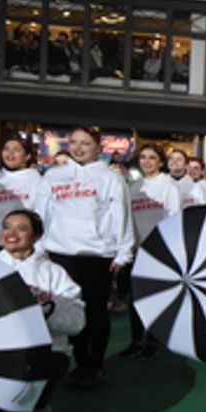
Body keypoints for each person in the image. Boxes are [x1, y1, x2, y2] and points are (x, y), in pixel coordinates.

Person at [34, 125, 134, 389]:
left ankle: (96, 365)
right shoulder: (53, 176)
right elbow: (41, 213)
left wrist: (123, 252)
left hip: (96, 255)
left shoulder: (111, 178)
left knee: (96, 312)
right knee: (68, 310)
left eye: (86, 143)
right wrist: (39, 247)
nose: (78, 148)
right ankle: (79, 363)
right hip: (60, 253)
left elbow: (121, 216)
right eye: (74, 142)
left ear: (98, 147)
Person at [0, 209, 85, 412]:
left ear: (36, 236)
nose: (11, 233)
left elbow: (77, 322)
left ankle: (39, 409)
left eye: (21, 228)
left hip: (46, 350)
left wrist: (40, 316)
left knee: (48, 366)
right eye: (7, 226)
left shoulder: (54, 273)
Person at [120, 145, 183, 359]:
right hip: (137, 250)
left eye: (152, 158)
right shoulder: (133, 187)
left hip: (160, 252)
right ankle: (137, 340)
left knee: (156, 298)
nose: (146, 162)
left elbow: (174, 219)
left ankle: (155, 340)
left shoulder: (169, 186)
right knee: (135, 299)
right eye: (143, 157)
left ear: (161, 162)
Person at [0, 136, 42, 253]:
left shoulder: (37, 181)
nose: (10, 153)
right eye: (6, 149)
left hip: (21, 247)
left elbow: (42, 215)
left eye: (16, 150)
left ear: (27, 156)